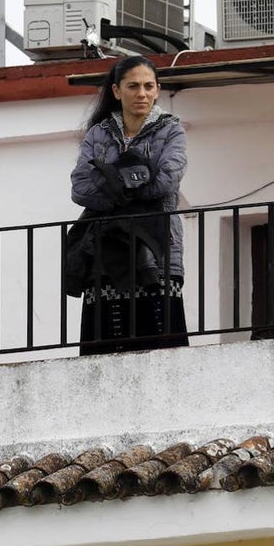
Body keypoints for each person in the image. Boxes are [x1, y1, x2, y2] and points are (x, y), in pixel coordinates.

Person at [68, 56, 188, 355]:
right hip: (106, 247)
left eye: (149, 86)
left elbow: (166, 181)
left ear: (158, 90)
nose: (142, 93)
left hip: (156, 247)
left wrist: (112, 183)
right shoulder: (98, 133)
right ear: (117, 91)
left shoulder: (171, 130)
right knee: (106, 344)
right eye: (133, 86)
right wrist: (135, 183)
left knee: (159, 345)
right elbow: (80, 187)